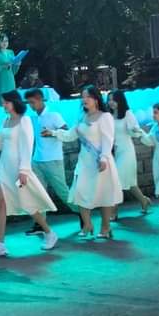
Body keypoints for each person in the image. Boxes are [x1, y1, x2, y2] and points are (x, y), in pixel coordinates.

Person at [0, 91, 58, 255]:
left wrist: (24, 170)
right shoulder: (5, 120)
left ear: (14, 102)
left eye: (6, 102)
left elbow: (27, 146)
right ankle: (0, 243)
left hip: (19, 169)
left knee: (27, 202)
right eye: (3, 103)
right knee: (1, 202)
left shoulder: (24, 120)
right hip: (4, 167)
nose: (3, 105)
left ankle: (49, 232)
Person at [48, 85, 123, 239]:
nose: (84, 99)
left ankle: (105, 227)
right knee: (80, 191)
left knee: (104, 194)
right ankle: (87, 224)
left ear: (96, 99)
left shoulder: (105, 117)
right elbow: (70, 135)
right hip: (84, 162)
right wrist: (54, 133)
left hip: (100, 162)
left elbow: (108, 140)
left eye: (87, 96)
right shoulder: (82, 116)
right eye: (82, 96)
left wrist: (104, 157)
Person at [25, 88, 72, 223]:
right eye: (29, 103)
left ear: (40, 99)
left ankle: (82, 213)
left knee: (62, 191)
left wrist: (52, 132)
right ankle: (40, 223)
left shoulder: (53, 115)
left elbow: (66, 131)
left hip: (53, 160)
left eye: (32, 102)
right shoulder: (33, 118)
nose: (31, 106)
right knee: (38, 193)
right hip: (37, 160)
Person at [108, 90, 152, 216]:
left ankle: (113, 211)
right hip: (117, 151)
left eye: (114, 100)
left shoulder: (128, 114)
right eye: (109, 100)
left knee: (117, 181)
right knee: (131, 183)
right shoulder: (109, 115)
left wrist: (134, 131)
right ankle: (144, 200)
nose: (111, 102)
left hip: (126, 151)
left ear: (120, 100)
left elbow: (135, 132)